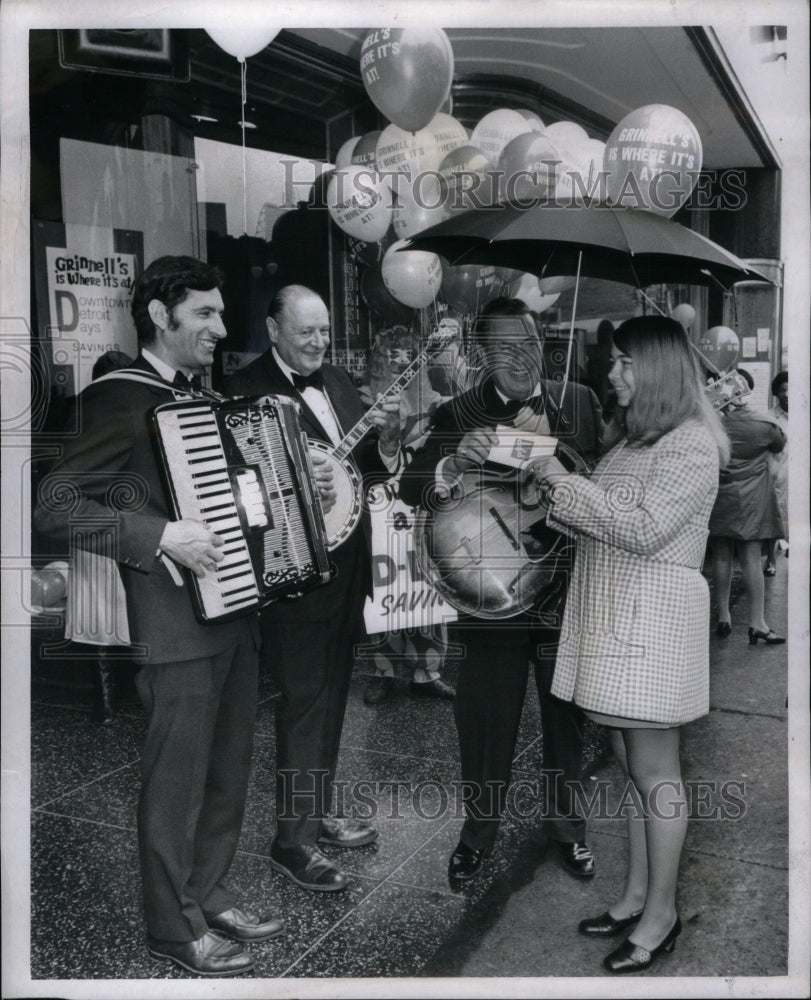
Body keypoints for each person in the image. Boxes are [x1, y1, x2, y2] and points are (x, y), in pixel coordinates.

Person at [34, 256, 284, 977]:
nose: (220, 327)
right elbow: (53, 504)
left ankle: (207, 891)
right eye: (204, 314)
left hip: (233, 607)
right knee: (175, 780)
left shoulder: (200, 396)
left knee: (228, 768)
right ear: (158, 316)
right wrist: (157, 535)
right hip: (172, 625)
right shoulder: (115, 397)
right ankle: (172, 927)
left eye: (219, 313)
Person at [534, 315, 730, 974]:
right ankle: (636, 896)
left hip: (649, 627)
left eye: (623, 363)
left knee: (656, 774)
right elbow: (600, 520)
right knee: (631, 768)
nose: (610, 374)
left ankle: (661, 914)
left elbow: (642, 530)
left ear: (657, 368)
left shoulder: (691, 444)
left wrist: (565, 483)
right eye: (611, 363)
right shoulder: (634, 441)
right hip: (617, 622)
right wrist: (552, 482)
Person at [398, 297, 604, 883]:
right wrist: (448, 471)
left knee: (566, 715)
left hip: (564, 587)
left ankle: (568, 829)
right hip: (488, 597)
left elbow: (608, 487)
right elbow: (416, 493)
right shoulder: (455, 413)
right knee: (487, 719)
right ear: (484, 355)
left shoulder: (580, 403)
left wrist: (571, 464)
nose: (524, 357)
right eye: (508, 346)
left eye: (532, 343)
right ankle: (477, 833)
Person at [225, 285, 402, 892]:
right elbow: (238, 495)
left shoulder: (340, 382)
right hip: (293, 575)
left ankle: (317, 809)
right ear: (273, 330)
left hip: (347, 567)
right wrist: (295, 492)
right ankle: (291, 842)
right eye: (306, 332)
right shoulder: (242, 393)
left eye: (325, 330)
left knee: (331, 698)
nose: (319, 342)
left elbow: (370, 472)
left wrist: (383, 437)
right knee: (303, 702)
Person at [708, 368, 786, 644]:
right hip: (752, 501)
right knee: (752, 560)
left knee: (721, 557)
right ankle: (757, 622)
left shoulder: (713, 426)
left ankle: (723, 616)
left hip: (721, 497)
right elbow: (778, 446)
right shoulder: (764, 425)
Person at [764, 369, 788, 575]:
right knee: (775, 519)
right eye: (782, 390)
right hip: (777, 474)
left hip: (799, 475)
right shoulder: (769, 417)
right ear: (776, 393)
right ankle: (771, 559)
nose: (787, 394)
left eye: (791, 389)